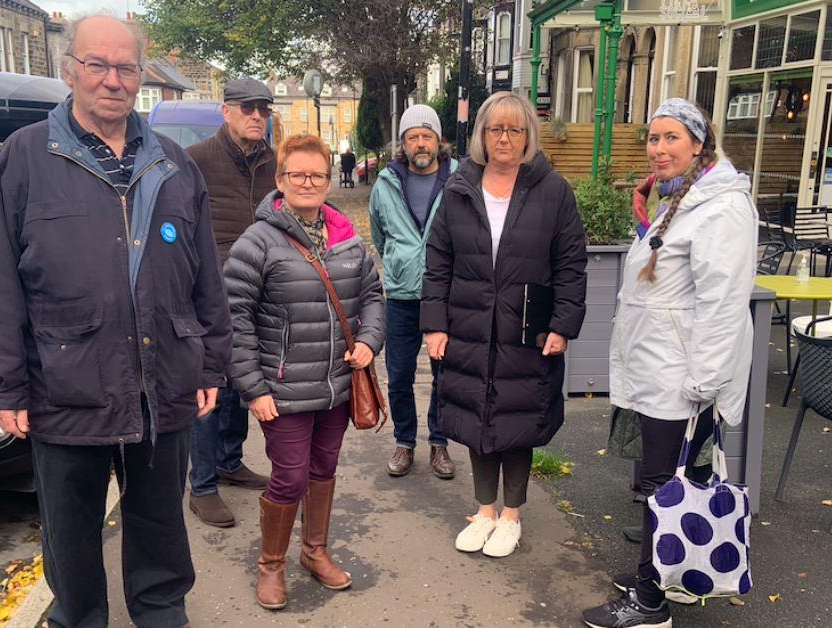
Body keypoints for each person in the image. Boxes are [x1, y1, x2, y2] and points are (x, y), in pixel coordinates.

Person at [0, 14, 231, 627]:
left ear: (140, 75)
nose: (112, 81)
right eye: (98, 65)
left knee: (161, 525)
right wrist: (4, 384)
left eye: (125, 67)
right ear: (70, 70)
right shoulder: (24, 158)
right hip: (67, 384)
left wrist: (212, 361)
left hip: (162, 380)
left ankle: (161, 612)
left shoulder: (172, 163)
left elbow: (205, 277)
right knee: (70, 532)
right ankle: (80, 617)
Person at [582, 98, 757, 628]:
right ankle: (675, 574)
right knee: (677, 481)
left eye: (671, 138)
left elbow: (723, 302)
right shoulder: (681, 200)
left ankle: (649, 601)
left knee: (663, 483)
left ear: (698, 143)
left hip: (682, 375)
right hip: (662, 366)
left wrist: (704, 380)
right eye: (653, 139)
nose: (658, 150)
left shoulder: (721, 208)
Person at [421, 91, 587, 559]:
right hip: (470, 322)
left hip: (526, 326)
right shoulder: (459, 188)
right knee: (478, 415)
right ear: (482, 134)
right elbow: (438, 263)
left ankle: (511, 515)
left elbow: (571, 264)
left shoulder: (552, 191)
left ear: (528, 135)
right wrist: (435, 325)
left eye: (515, 129)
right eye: (496, 129)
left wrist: (563, 324)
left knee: (517, 417)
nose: (505, 138)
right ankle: (484, 511)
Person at [223, 133, 385, 610]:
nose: (308, 182)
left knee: (323, 469)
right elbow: (234, 317)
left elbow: (373, 296)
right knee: (289, 477)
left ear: (329, 180)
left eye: (317, 174)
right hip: (283, 387)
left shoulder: (347, 236)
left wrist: (370, 343)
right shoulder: (258, 241)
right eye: (298, 174)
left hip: (336, 385)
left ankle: (314, 552)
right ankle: (270, 564)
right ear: (280, 180)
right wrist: (252, 387)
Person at [184, 78, 277, 528]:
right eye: (247, 108)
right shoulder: (197, 160)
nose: (256, 115)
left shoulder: (276, 164)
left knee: (241, 384)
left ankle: (229, 460)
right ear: (227, 112)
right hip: (208, 295)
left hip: (258, 294)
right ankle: (201, 485)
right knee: (208, 388)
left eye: (263, 108)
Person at [370, 104, 459, 479]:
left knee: (447, 374)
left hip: (446, 295)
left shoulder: (459, 179)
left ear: (438, 140)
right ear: (403, 144)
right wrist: (399, 262)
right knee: (400, 373)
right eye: (412, 137)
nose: (420, 144)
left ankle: (440, 443)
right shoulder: (385, 183)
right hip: (402, 297)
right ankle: (405, 442)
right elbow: (379, 235)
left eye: (426, 136)